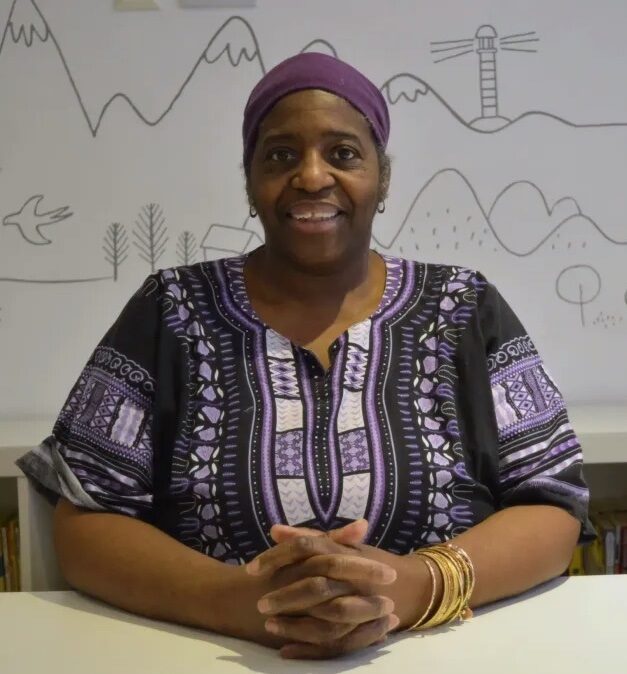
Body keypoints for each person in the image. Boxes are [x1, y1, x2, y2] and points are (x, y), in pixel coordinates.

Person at [18, 52, 594, 660]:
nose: (313, 177)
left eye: (343, 153)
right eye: (280, 155)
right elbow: (85, 520)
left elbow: (552, 504)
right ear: (249, 181)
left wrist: (417, 586)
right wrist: (243, 604)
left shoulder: (464, 307)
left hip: (447, 655)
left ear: (383, 178)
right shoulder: (171, 309)